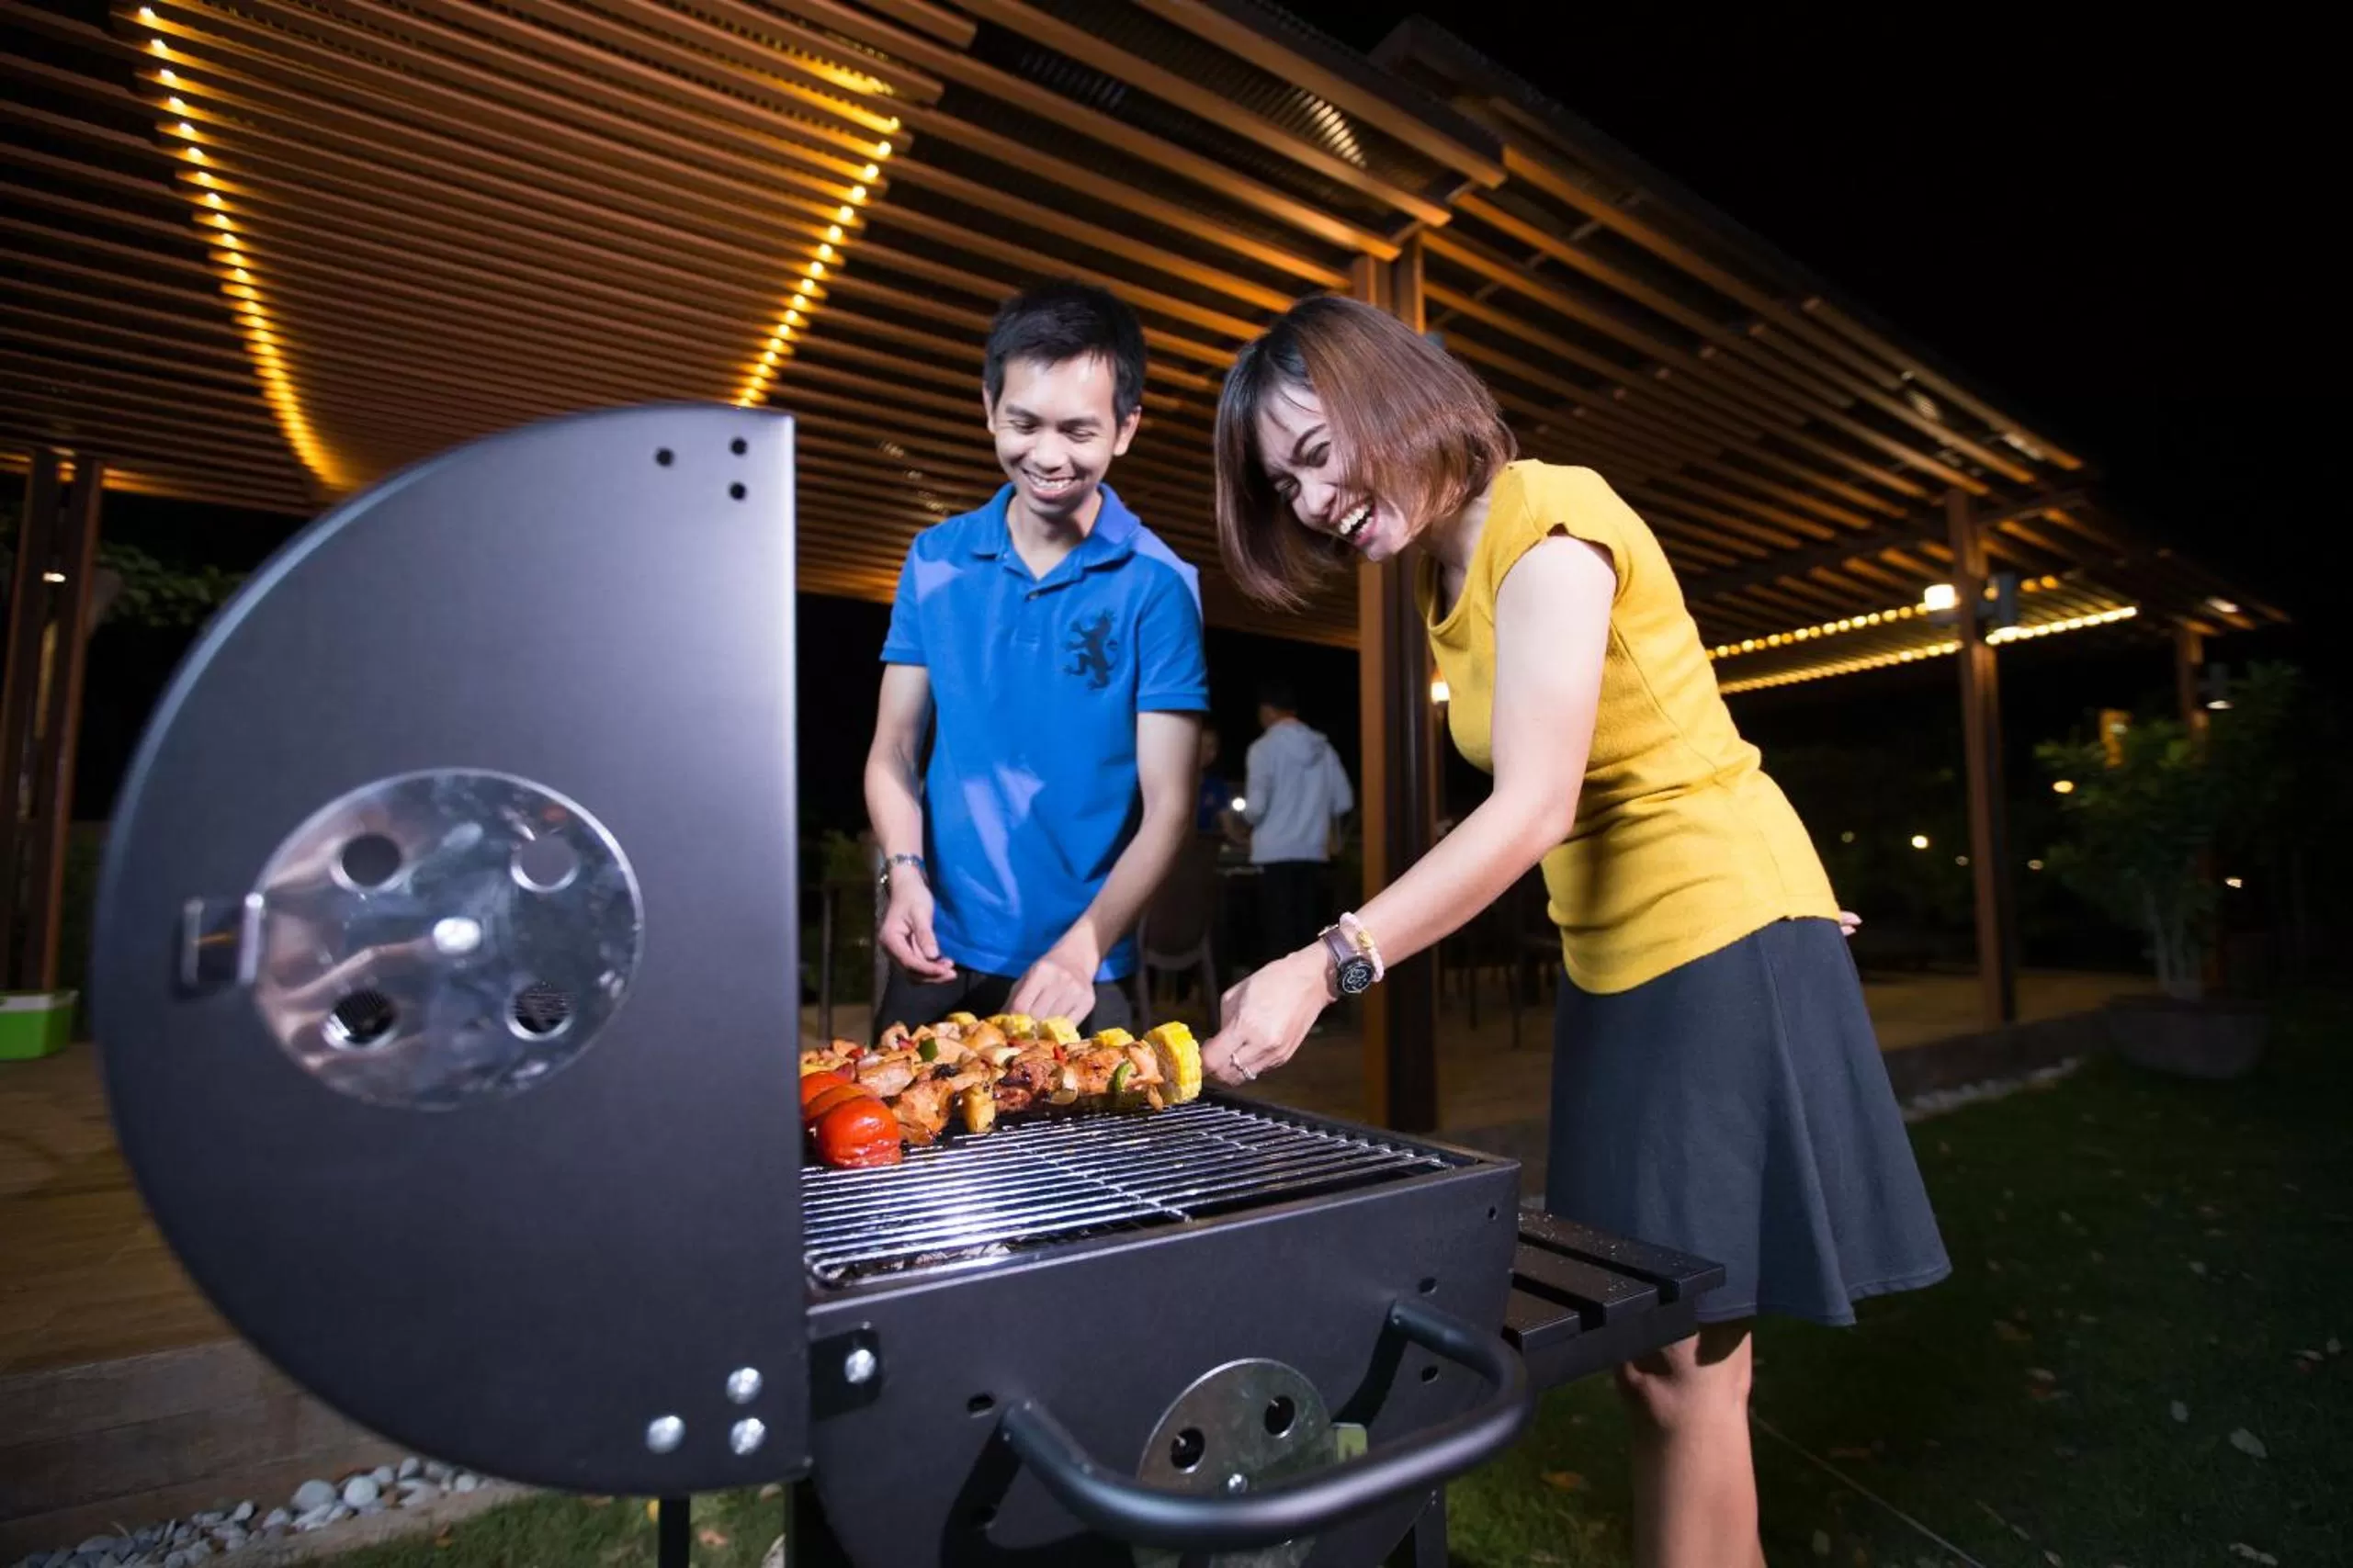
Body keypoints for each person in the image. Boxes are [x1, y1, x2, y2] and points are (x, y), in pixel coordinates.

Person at [1205, 296, 1947, 1568]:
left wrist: (1325, 964)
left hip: (1709, 934)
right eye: (1288, 485)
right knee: (1658, 1361)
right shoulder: (1452, 576)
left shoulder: (1549, 520)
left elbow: (1538, 801)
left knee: (1691, 1362)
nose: (1314, 502)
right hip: (1621, 961)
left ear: (1390, 393)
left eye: (1316, 454)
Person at [864, 280, 1208, 1038]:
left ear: (1125, 428)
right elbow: (892, 747)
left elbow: (1170, 804)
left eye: (1078, 432)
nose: (1047, 456)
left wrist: (1083, 945)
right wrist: (904, 873)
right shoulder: (935, 559)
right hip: (935, 948)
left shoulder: (1160, 587)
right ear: (989, 408)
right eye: (1023, 423)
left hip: (1080, 965)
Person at [1241, 678, 1352, 964]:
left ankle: (1278, 1003)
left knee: (1277, 936)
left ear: (1267, 711)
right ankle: (1318, 1002)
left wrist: (1239, 818)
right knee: (1308, 935)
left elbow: (1256, 807)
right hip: (1312, 853)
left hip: (1274, 854)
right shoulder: (1324, 749)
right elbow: (1344, 801)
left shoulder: (1263, 749)